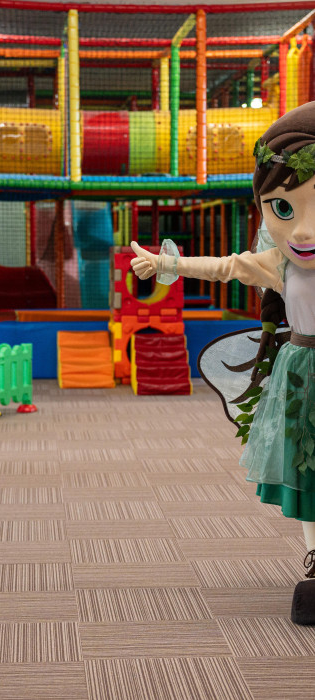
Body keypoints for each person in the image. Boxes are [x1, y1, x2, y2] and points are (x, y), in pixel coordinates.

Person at [130, 101, 315, 623]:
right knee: (306, 470)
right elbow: (225, 267)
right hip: (304, 376)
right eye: (284, 209)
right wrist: (165, 262)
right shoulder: (282, 264)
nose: (303, 231)